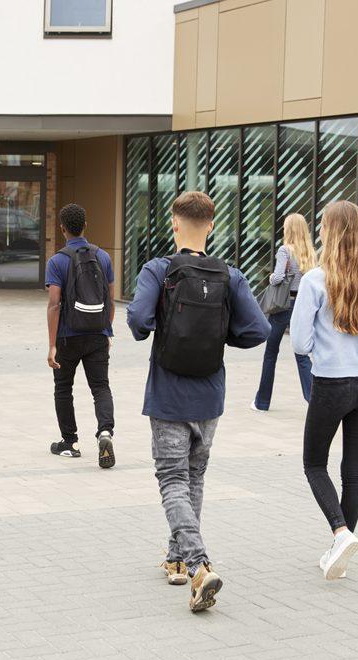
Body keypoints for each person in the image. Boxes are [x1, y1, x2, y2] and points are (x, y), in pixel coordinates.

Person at [127, 191, 269, 611]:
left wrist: (155, 330)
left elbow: (137, 319)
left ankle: (199, 564)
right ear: (211, 224)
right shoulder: (231, 276)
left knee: (172, 479)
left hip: (168, 393)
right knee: (194, 478)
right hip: (210, 395)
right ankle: (176, 560)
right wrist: (220, 336)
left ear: (174, 223)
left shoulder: (158, 269)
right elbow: (258, 330)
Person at [291, 201, 358, 579]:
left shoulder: (314, 281)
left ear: (328, 233)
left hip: (331, 383)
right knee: (353, 470)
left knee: (314, 463)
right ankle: (341, 549)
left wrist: (326, 348)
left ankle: (339, 532)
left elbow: (300, 343)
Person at [45, 203, 117, 468]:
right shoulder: (104, 257)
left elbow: (54, 304)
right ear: (85, 225)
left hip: (67, 336)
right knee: (100, 386)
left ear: (62, 228)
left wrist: (52, 345)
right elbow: (110, 299)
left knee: (64, 387)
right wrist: (106, 331)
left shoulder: (57, 261)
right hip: (97, 334)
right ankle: (105, 432)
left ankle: (70, 442)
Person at [252, 213, 316, 411]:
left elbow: (278, 278)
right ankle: (314, 400)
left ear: (288, 229)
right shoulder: (310, 252)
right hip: (301, 305)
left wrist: (271, 276)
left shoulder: (285, 250)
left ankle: (262, 402)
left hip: (282, 306)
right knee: (301, 353)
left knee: (271, 352)